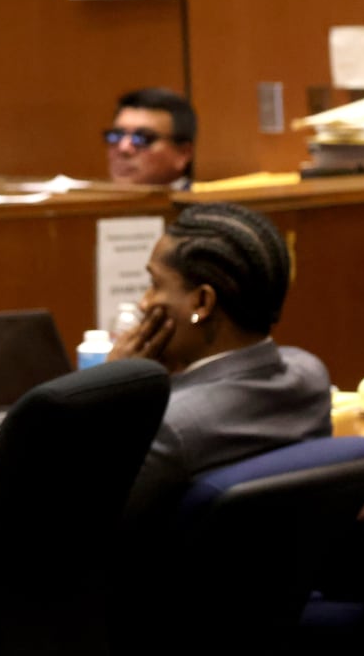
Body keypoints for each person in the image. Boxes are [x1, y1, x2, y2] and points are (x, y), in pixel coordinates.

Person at [109, 201, 331, 519]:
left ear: (202, 302)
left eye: (155, 284)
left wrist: (110, 390)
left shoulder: (170, 426)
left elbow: (82, 523)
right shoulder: (310, 376)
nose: (145, 303)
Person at [105, 87, 196, 188]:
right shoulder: (102, 201)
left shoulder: (204, 201)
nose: (123, 148)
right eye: (116, 136)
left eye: (142, 138)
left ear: (183, 153)